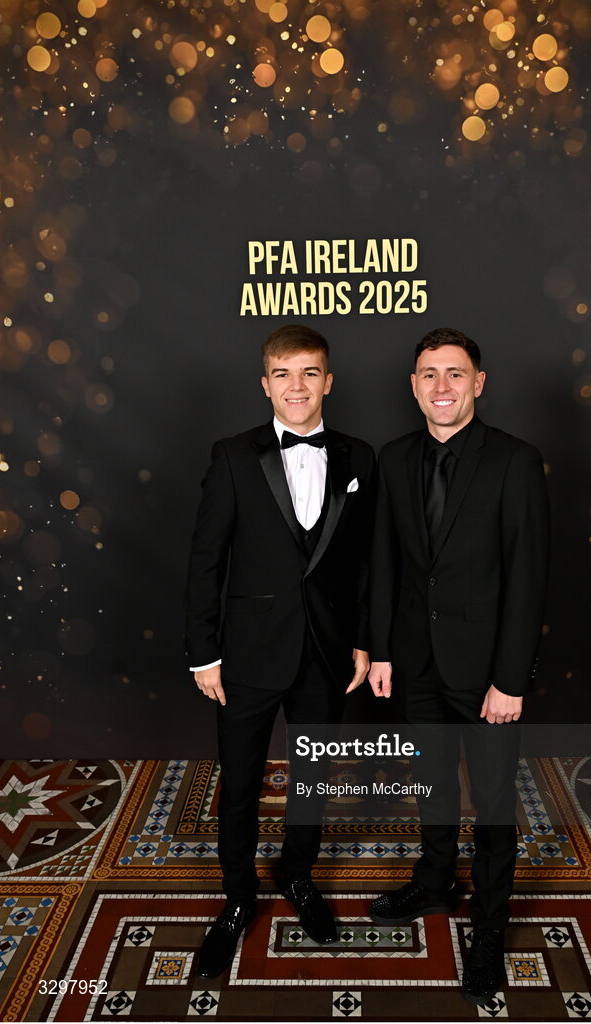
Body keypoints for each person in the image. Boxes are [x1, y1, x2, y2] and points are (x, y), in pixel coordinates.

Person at [184, 324, 375, 978]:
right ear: (265, 384)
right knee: (239, 783)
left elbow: (365, 562)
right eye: (283, 375)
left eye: (309, 373)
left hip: (326, 652)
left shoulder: (358, 456)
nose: (297, 387)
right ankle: (238, 896)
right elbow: (206, 562)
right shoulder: (233, 456)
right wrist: (203, 653)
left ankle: (298, 875)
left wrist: (363, 641)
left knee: (311, 779)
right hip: (245, 654)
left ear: (329, 381)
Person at [367, 327, 549, 1007]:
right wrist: (383, 649)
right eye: (428, 374)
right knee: (433, 783)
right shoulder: (393, 458)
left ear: (478, 382)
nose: (441, 386)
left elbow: (528, 578)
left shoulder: (515, 460)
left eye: (454, 373)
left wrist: (510, 680)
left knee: (494, 804)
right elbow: (385, 561)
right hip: (415, 663)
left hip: (486, 675)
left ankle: (490, 928)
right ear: (413, 387)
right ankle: (435, 881)